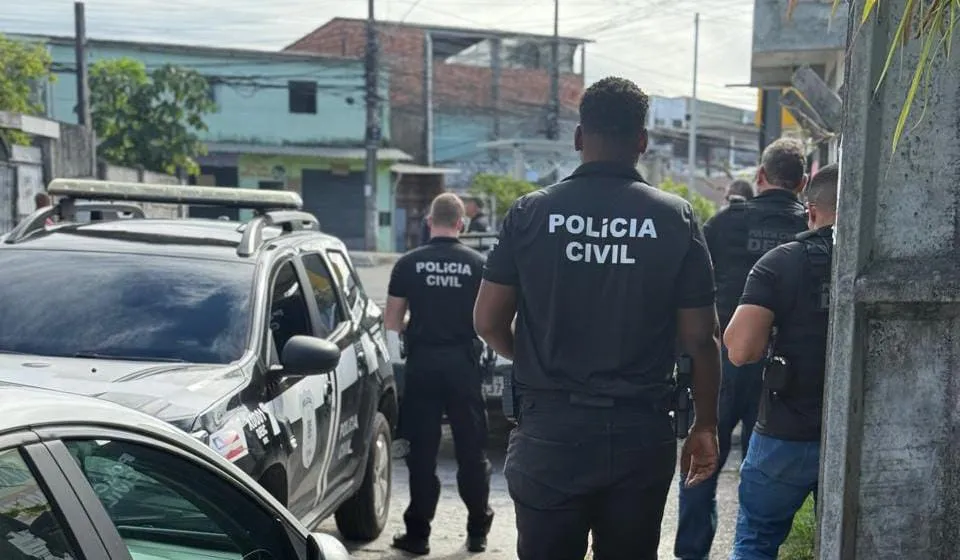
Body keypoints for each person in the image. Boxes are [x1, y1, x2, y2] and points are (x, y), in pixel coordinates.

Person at [473, 76, 722, 560]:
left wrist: (533, 357)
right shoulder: (675, 218)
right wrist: (706, 424)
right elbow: (702, 338)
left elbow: (486, 321)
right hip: (640, 434)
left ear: (579, 138)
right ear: (642, 142)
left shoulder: (531, 212)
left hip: (550, 432)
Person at [674, 137, 809, 560]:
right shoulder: (810, 227)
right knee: (764, 464)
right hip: (787, 368)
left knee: (701, 448)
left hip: (719, 359)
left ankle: (692, 551)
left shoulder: (722, 223)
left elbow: (689, 287)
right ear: (802, 183)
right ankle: (752, 548)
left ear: (760, 176)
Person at [724, 163, 838, 559]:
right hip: (866, 434)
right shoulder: (884, 260)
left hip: (786, 434)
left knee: (757, 540)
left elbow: (741, 350)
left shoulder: (782, 262)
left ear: (811, 210)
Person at [384, 193, 494, 556]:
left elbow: (393, 322)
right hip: (463, 365)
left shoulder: (408, 264)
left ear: (430, 222)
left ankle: (418, 535)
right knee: (471, 449)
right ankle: (478, 530)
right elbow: (490, 322)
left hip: (423, 366)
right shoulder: (479, 265)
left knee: (421, 453)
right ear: (461, 224)